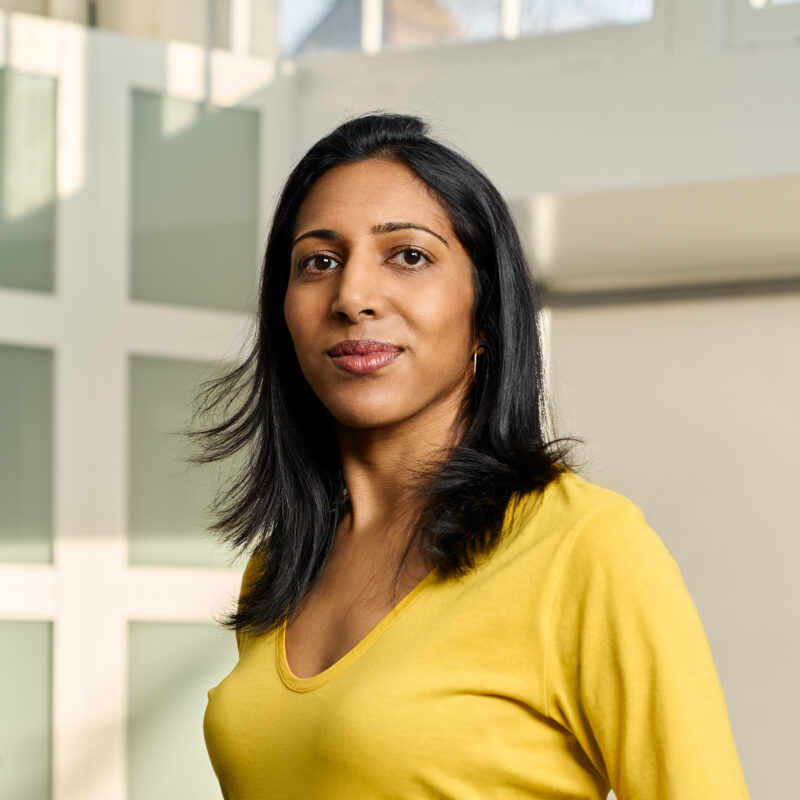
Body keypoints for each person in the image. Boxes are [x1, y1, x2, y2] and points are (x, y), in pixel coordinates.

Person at [198, 113, 750, 799]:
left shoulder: (585, 548)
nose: (352, 297)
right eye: (319, 261)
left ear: (485, 313)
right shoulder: (278, 569)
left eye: (408, 255)